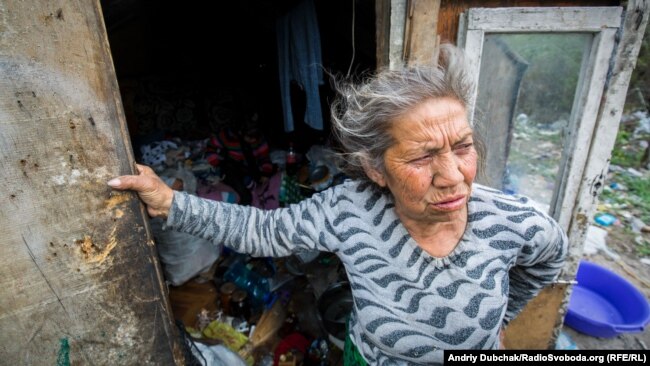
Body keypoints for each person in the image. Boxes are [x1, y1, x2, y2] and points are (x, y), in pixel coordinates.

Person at [108, 44, 567, 365]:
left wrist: (500, 320)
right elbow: (261, 231)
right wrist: (170, 202)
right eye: (423, 156)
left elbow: (548, 260)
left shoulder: (516, 223)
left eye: (463, 146)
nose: (453, 176)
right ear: (376, 170)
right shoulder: (350, 210)